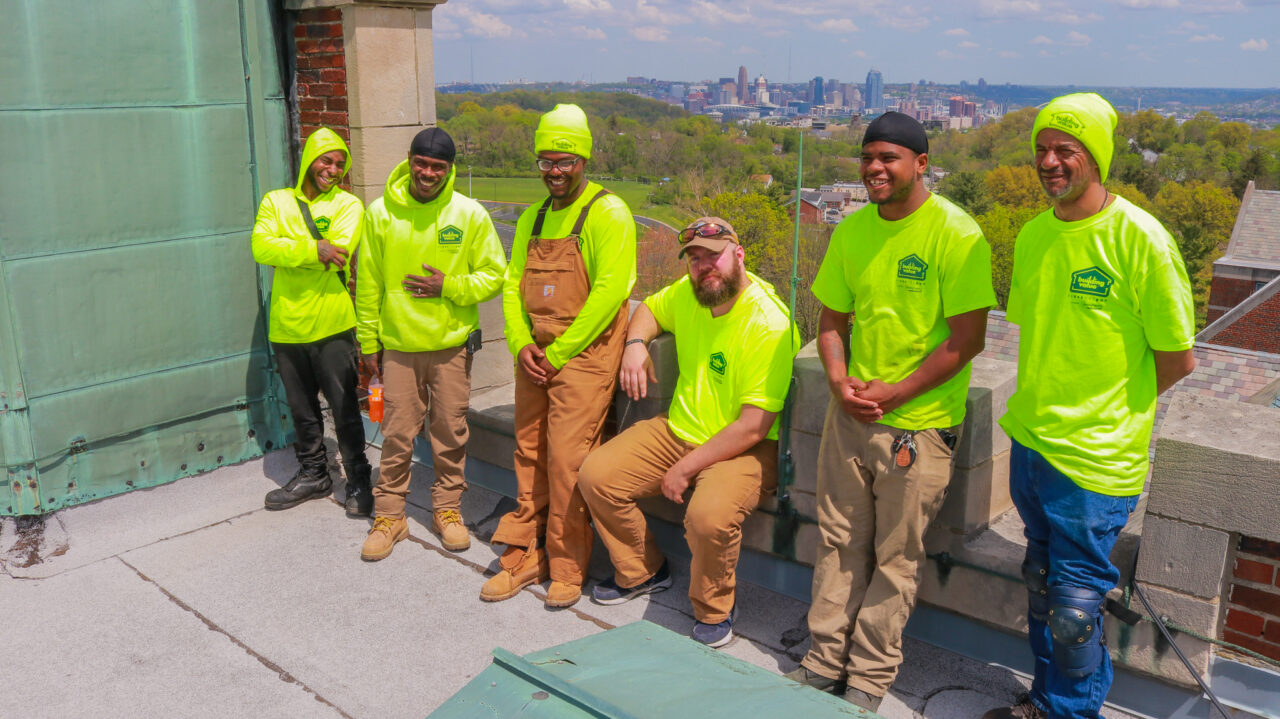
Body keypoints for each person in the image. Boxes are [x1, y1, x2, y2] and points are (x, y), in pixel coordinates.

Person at [984, 94, 1196, 719]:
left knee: (1076, 612)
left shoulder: (1142, 240)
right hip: (1032, 442)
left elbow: (1177, 358)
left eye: (1066, 150)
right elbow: (1044, 333)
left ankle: (1071, 712)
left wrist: (1111, 410)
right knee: (1043, 587)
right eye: (1042, 150)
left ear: (1096, 158)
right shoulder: (1033, 235)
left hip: (1097, 462)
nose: (1050, 162)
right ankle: (1043, 703)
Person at [785, 112, 995, 712]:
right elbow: (830, 322)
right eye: (868, 157)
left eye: (889, 159)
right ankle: (825, 661)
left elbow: (966, 340)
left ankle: (869, 680)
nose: (875, 169)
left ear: (921, 164)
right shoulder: (852, 232)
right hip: (850, 418)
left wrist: (897, 393)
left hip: (917, 428)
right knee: (838, 542)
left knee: (895, 559)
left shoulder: (957, 235)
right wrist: (838, 380)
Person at [578, 216, 800, 647]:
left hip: (746, 448)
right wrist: (635, 345)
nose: (703, 266)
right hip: (680, 429)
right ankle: (642, 570)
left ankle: (714, 607)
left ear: (738, 255)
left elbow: (754, 425)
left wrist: (686, 468)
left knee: (707, 516)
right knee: (596, 476)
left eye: (713, 256)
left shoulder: (769, 323)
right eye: (694, 259)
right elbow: (647, 310)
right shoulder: (690, 294)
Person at [481, 104, 637, 608]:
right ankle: (527, 553)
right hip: (535, 353)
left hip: (585, 356)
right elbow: (510, 286)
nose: (554, 170)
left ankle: (568, 567)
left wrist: (560, 352)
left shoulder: (607, 212)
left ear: (584, 159)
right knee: (528, 453)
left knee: (569, 461)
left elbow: (611, 292)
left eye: (565, 160)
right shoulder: (534, 216)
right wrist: (520, 343)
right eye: (546, 159)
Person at [354, 128, 505, 561]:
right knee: (398, 433)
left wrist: (449, 286)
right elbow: (369, 284)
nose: (428, 173)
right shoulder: (380, 213)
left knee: (449, 432)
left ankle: (447, 510)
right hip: (399, 346)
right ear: (409, 159)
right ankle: (390, 517)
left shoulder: (469, 214)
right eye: (421, 163)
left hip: (451, 347)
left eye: (438, 167)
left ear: (449, 169)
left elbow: (495, 274)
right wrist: (368, 341)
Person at [251, 127, 373, 516]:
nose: (333, 169)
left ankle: (358, 478)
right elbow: (260, 246)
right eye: (326, 160)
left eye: (340, 164)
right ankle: (314, 474)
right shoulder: (276, 201)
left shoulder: (349, 206)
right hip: (286, 325)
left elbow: (339, 252)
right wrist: (312, 248)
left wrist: (293, 251)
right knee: (302, 409)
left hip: (332, 323)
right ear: (310, 159)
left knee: (344, 408)